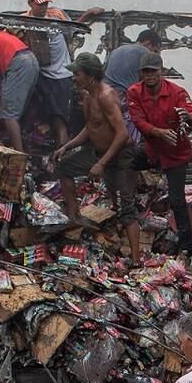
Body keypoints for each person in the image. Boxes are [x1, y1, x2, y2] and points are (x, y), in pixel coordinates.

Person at [52, 54, 139, 255]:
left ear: (91, 76)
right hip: (98, 152)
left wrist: (101, 163)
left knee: (125, 207)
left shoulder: (106, 96)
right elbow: (91, 127)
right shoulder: (87, 96)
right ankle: (74, 217)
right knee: (64, 166)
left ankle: (135, 260)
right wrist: (67, 146)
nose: (74, 78)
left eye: (77, 74)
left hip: (120, 155)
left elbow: (122, 134)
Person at [126, 53, 192, 260]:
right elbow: (138, 121)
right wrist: (158, 133)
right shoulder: (134, 92)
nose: (150, 75)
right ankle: (125, 209)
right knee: (126, 161)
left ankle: (187, 246)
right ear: (141, 73)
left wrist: (188, 117)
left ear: (161, 71)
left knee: (177, 200)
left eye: (153, 71)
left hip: (176, 152)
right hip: (152, 149)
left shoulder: (177, 92)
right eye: (146, 71)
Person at [22, 0, 73, 148]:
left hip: (61, 75)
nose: (43, 7)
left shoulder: (57, 15)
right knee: (41, 116)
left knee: (59, 120)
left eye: (45, 3)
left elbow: (72, 30)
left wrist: (88, 15)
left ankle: (61, 154)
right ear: (30, 2)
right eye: (39, 4)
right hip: (41, 75)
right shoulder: (24, 21)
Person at [104, 29, 162, 96]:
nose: (154, 55)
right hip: (123, 95)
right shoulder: (145, 53)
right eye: (155, 50)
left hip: (105, 93)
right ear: (148, 43)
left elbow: (104, 70)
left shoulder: (116, 50)